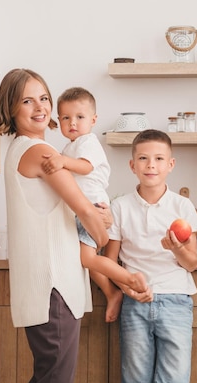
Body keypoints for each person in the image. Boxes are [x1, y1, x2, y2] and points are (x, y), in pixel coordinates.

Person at [0, 68, 150, 383]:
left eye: (43, 98)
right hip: (52, 286)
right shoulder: (40, 151)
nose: (39, 107)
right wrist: (105, 229)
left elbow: (73, 208)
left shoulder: (23, 148)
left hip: (49, 286)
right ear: (11, 108)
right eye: (26, 100)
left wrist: (96, 220)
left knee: (52, 382)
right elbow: (86, 211)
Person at [104, 129, 197, 383]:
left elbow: (191, 263)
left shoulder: (181, 207)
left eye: (159, 159)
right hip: (135, 305)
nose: (151, 165)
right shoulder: (119, 207)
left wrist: (176, 248)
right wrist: (124, 290)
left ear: (170, 165)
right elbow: (110, 261)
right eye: (144, 158)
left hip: (175, 302)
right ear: (132, 165)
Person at [41, 86, 147, 322]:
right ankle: (113, 292)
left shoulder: (88, 142)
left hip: (92, 209)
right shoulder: (70, 147)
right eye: (66, 118)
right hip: (82, 210)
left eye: (80, 117)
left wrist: (61, 162)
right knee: (84, 259)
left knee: (86, 259)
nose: (73, 123)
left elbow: (86, 167)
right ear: (59, 121)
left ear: (93, 120)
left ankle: (128, 280)